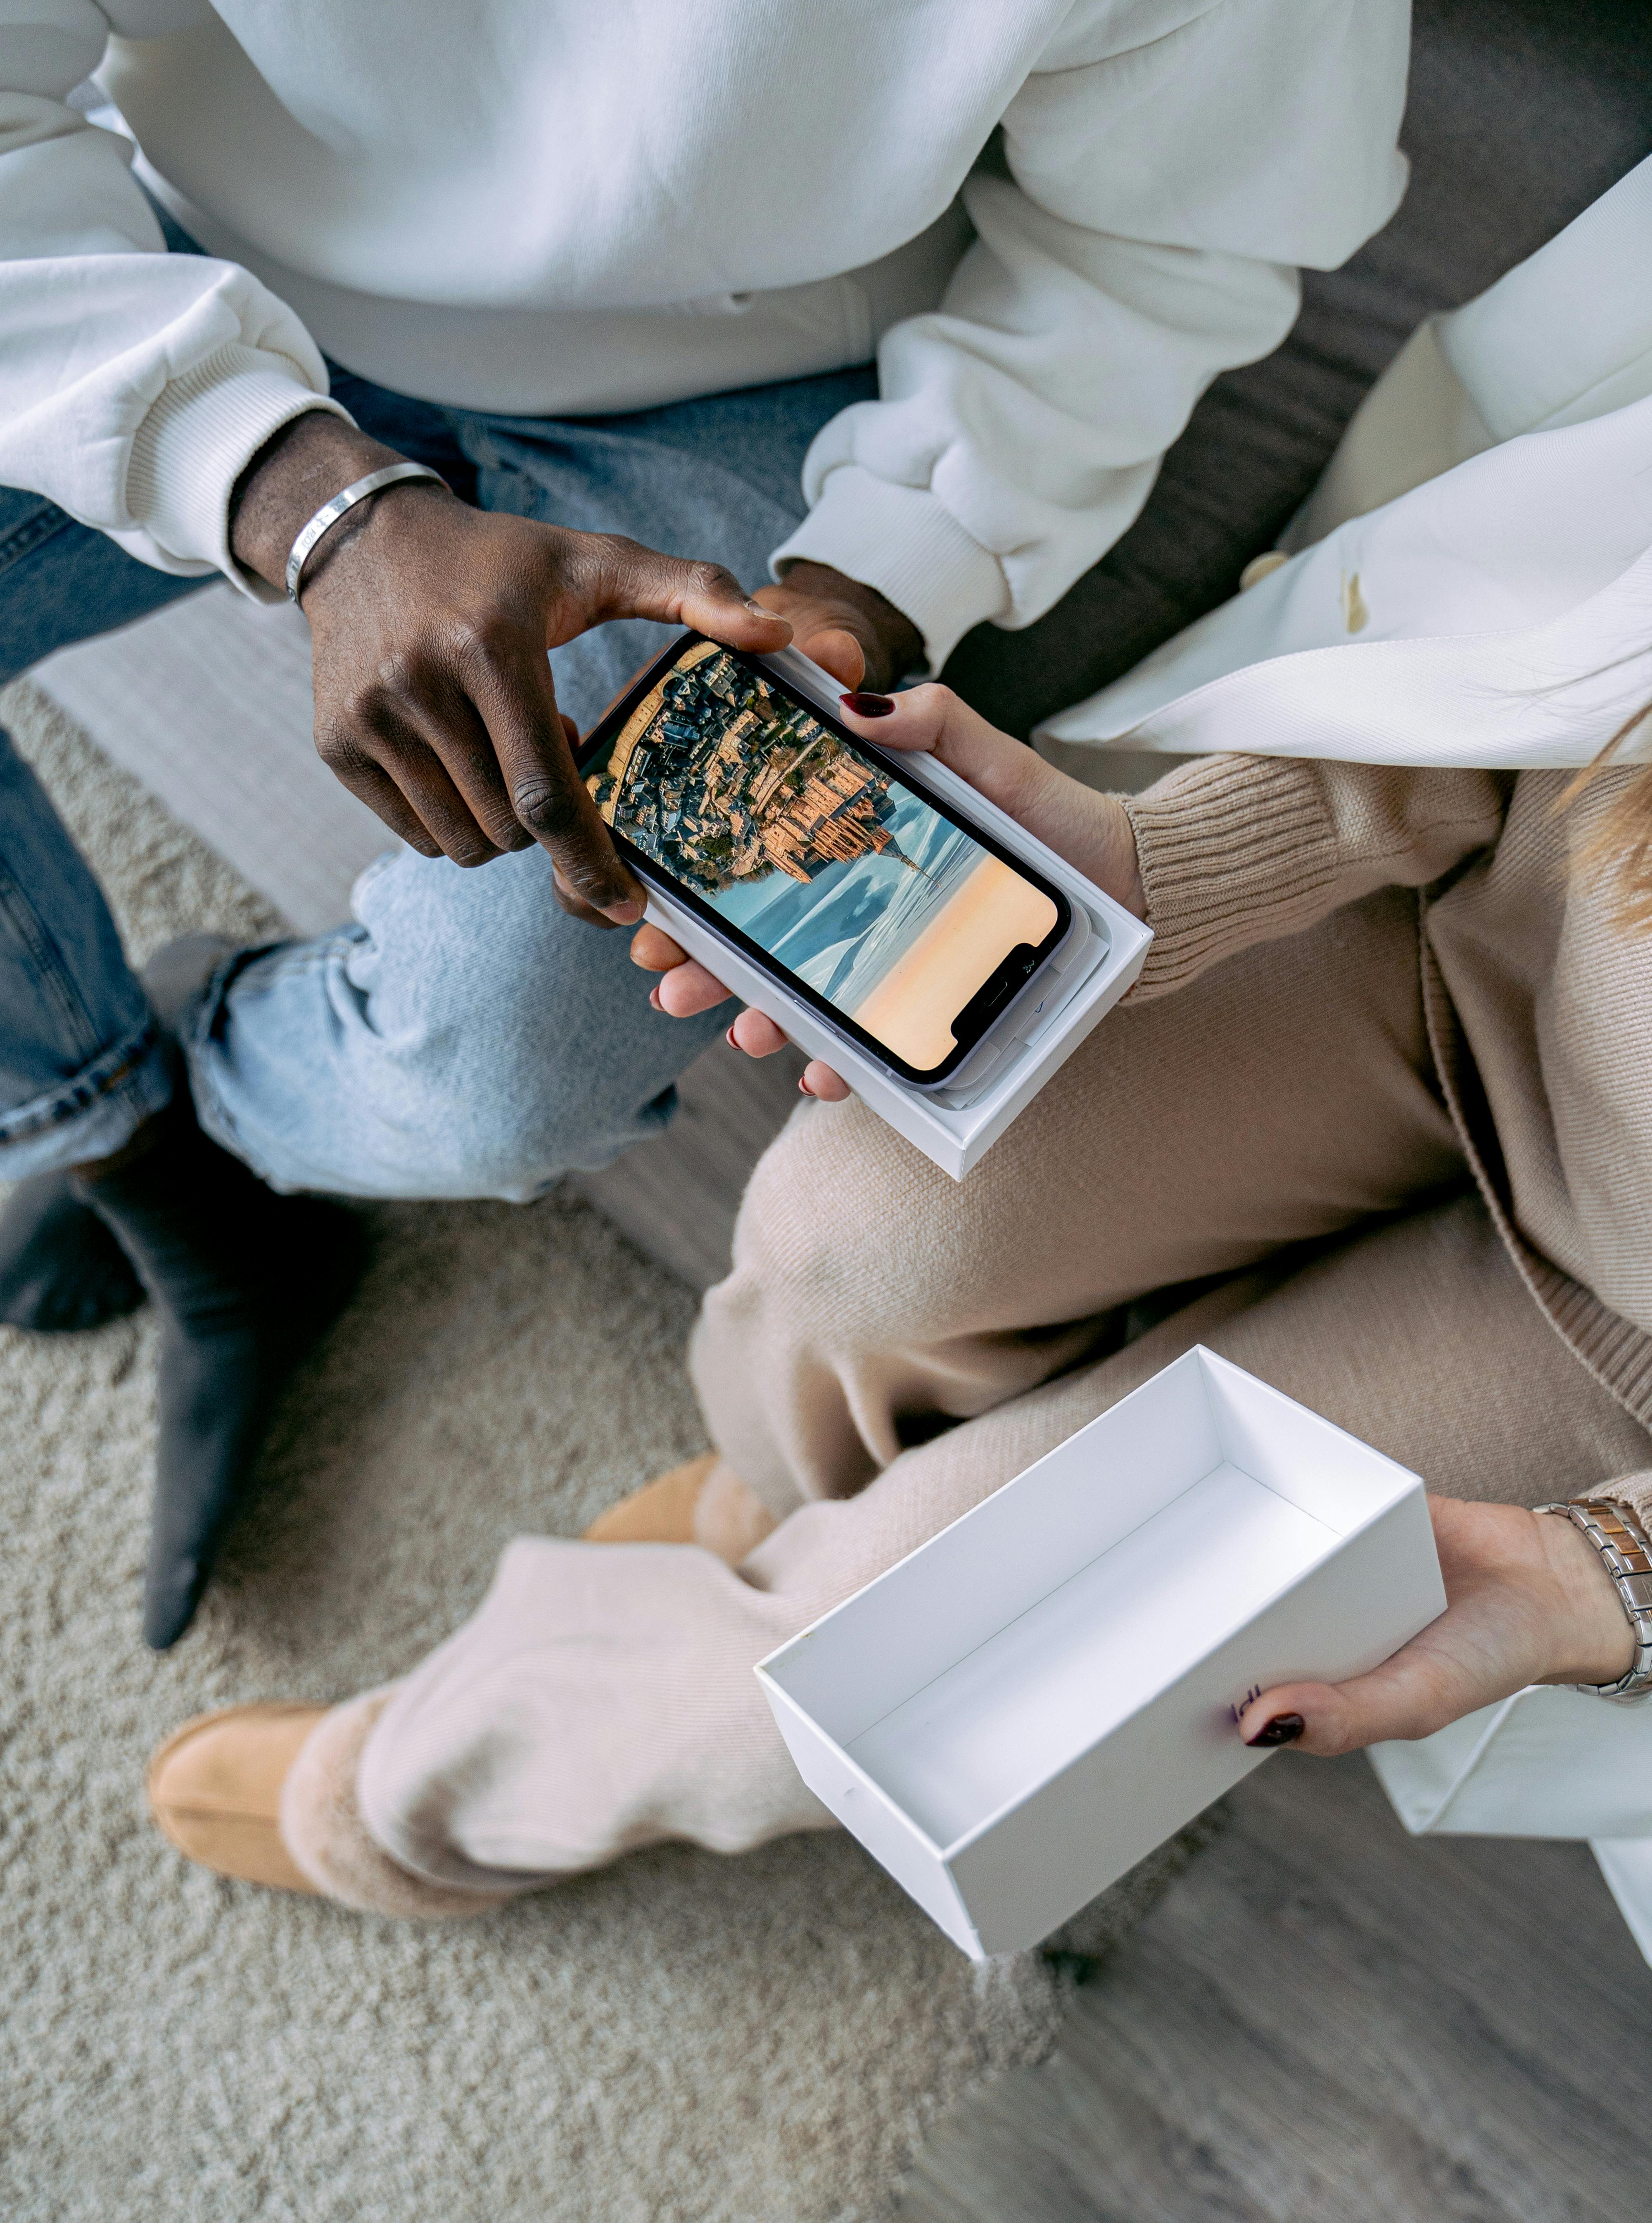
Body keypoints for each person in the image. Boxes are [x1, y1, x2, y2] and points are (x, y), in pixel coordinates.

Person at [0, 0, 1418, 1642]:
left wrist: (871, 587)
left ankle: (206, 1102)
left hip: (745, 377)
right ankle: (125, 1144)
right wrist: (294, 489)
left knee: (512, 1058)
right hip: (195, 244)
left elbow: (1169, 243)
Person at [145, 671, 1652, 1911]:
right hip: (1458, 953)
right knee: (844, 1236)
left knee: (888, 1678)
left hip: (1609, 1358)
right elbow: (1543, 676)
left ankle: (411, 1803)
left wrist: (1611, 1575)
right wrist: (1153, 869)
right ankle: (778, 1488)